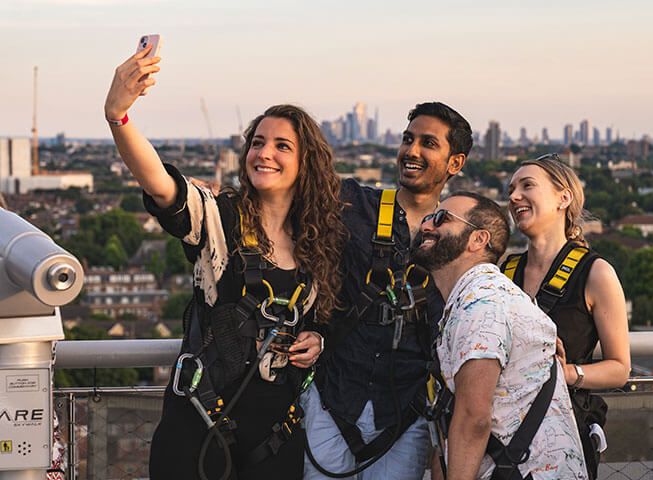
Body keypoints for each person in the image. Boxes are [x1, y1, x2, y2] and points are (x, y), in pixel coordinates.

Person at [104, 46, 345, 479]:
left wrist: (317, 340)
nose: (264, 153)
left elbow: (323, 320)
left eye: (281, 145)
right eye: (257, 143)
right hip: (198, 430)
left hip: (276, 436)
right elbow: (162, 185)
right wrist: (119, 116)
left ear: (306, 162)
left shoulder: (318, 243)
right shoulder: (219, 217)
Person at [302, 102, 472, 479]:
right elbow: (287, 201)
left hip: (404, 416)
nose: (412, 151)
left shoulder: (460, 241)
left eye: (428, 143)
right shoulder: (353, 205)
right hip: (335, 400)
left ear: (455, 163)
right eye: (408, 139)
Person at [414, 191, 588, 480]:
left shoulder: (481, 305)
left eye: (441, 219)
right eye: (428, 218)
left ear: (478, 240)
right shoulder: (484, 297)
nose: (426, 226)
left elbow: (474, 419)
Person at [504, 154, 631, 479]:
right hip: (502, 435)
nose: (514, 196)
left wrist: (569, 372)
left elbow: (619, 369)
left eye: (527, 185)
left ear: (564, 197)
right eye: (511, 189)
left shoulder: (595, 273)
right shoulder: (504, 271)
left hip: (562, 434)